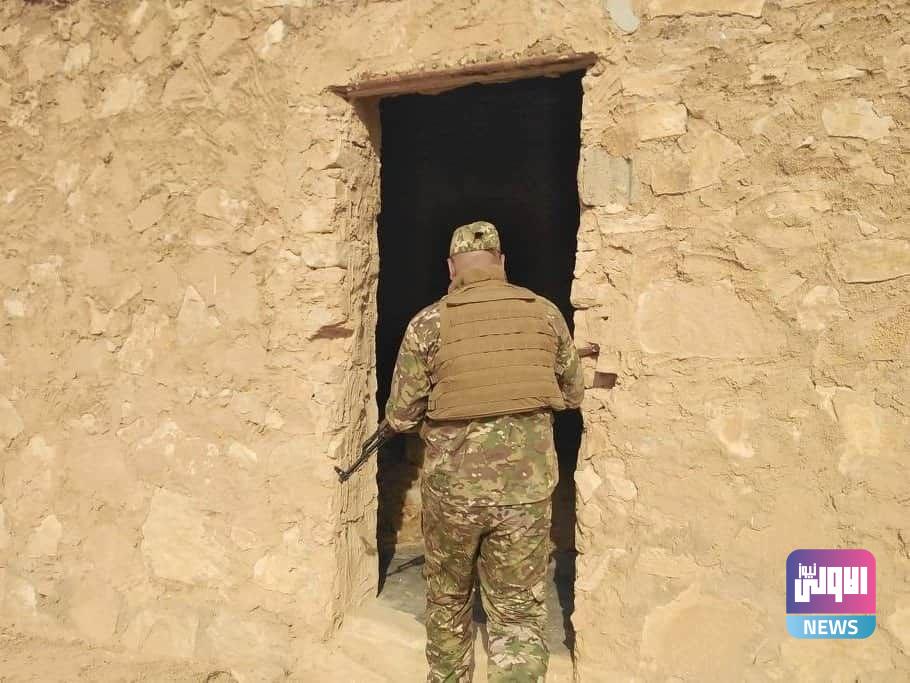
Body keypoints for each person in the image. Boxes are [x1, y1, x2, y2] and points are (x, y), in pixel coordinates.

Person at [384, 220, 585, 682]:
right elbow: (573, 393)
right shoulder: (545, 314)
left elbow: (402, 414)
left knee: (448, 600)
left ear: (451, 268)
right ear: (502, 262)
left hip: (453, 496)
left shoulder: (428, 323)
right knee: (518, 611)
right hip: (525, 495)